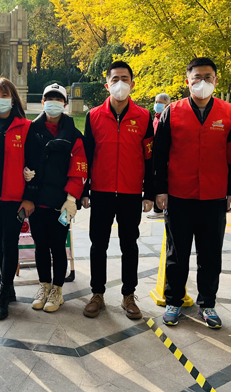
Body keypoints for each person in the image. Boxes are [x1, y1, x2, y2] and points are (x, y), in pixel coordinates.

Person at [155, 57, 231, 329]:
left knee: (211, 255)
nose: (202, 82)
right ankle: (174, 301)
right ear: (187, 81)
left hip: (214, 197)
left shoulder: (228, 113)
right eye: (197, 78)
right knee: (177, 254)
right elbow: (159, 154)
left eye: (208, 77)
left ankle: (208, 304)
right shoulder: (173, 112)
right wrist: (160, 190)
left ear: (216, 80)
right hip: (179, 195)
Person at [81, 61, 155, 320]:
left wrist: (149, 192)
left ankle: (128, 295)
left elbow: (150, 158)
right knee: (98, 244)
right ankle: (97, 294)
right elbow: (86, 156)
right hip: (101, 191)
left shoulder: (144, 117)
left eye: (125, 78)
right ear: (107, 84)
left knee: (129, 245)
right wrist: (84, 190)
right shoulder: (93, 116)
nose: (120, 83)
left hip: (130, 192)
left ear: (132, 84)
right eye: (115, 79)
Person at [23, 83, 87, 314]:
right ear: (42, 102)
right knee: (40, 245)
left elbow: (79, 166)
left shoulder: (73, 134)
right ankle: (44, 285)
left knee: (58, 246)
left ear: (65, 104)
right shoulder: (31, 130)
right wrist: (24, 173)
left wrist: (72, 198)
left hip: (61, 202)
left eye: (58, 99)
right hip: (37, 199)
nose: (53, 103)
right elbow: (22, 156)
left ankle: (57, 289)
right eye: (49, 98)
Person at [0, 78, 33, 320]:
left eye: (4, 95)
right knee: (0, 243)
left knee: (9, 243)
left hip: (14, 197)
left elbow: (33, 165)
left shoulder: (26, 127)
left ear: (13, 99)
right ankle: (7, 289)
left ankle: (4, 294)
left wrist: (29, 196)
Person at [148, 93, 171, 219]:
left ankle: (160, 208)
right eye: (156, 102)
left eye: (160, 103)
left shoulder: (168, 117)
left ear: (167, 104)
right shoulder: (156, 118)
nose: (157, 105)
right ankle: (157, 208)